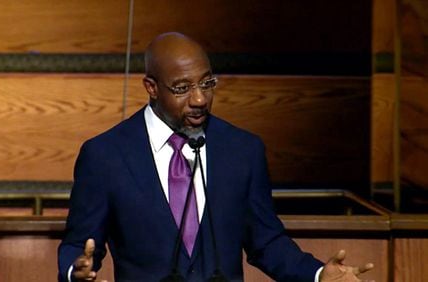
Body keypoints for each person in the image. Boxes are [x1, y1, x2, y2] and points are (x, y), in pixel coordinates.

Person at [57, 32, 374, 282]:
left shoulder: (242, 150)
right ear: (151, 87)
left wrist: (318, 275)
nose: (199, 99)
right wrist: (76, 271)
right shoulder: (105, 155)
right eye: (182, 88)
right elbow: (78, 244)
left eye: (207, 83)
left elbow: (266, 242)